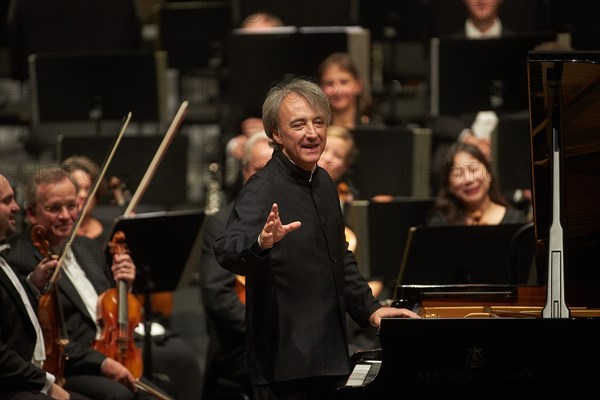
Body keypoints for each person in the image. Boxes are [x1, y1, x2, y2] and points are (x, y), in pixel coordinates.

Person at [213, 78, 419, 399]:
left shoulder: (323, 182)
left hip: (329, 354)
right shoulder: (261, 188)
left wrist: (370, 309)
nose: (312, 133)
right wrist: (261, 244)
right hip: (285, 367)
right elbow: (226, 250)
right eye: (298, 124)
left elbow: (339, 255)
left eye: (318, 122)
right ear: (276, 135)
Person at [6, 166, 172, 400]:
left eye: (71, 206)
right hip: (72, 366)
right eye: (55, 208)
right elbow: (46, 338)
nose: (66, 215)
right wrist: (102, 363)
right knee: (120, 396)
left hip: (113, 356)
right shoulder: (21, 259)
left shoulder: (87, 247)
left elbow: (109, 311)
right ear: (32, 213)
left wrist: (125, 286)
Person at [59, 157, 204, 399]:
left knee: (177, 364)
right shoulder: (67, 245)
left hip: (125, 327)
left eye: (90, 189)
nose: (83, 195)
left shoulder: (113, 229)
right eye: (77, 188)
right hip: (89, 340)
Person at [0, 174, 91, 400]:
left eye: (72, 206)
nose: (15, 207)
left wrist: (32, 285)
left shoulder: (4, 256)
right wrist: (46, 383)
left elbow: (10, 312)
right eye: (6, 201)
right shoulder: (17, 254)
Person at [199, 131, 273, 400]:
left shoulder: (295, 215)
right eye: (259, 170)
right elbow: (218, 297)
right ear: (245, 172)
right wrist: (272, 328)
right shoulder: (222, 223)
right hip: (242, 344)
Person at [427, 142, 527, 226]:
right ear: (449, 186)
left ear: (488, 172)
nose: (468, 179)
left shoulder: (516, 220)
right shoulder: (440, 223)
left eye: (473, 169)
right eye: (457, 174)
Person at [317, 52, 372, 130]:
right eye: (329, 83)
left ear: (358, 85)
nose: (337, 90)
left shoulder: (373, 129)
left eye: (344, 82)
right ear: (321, 88)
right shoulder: (316, 132)